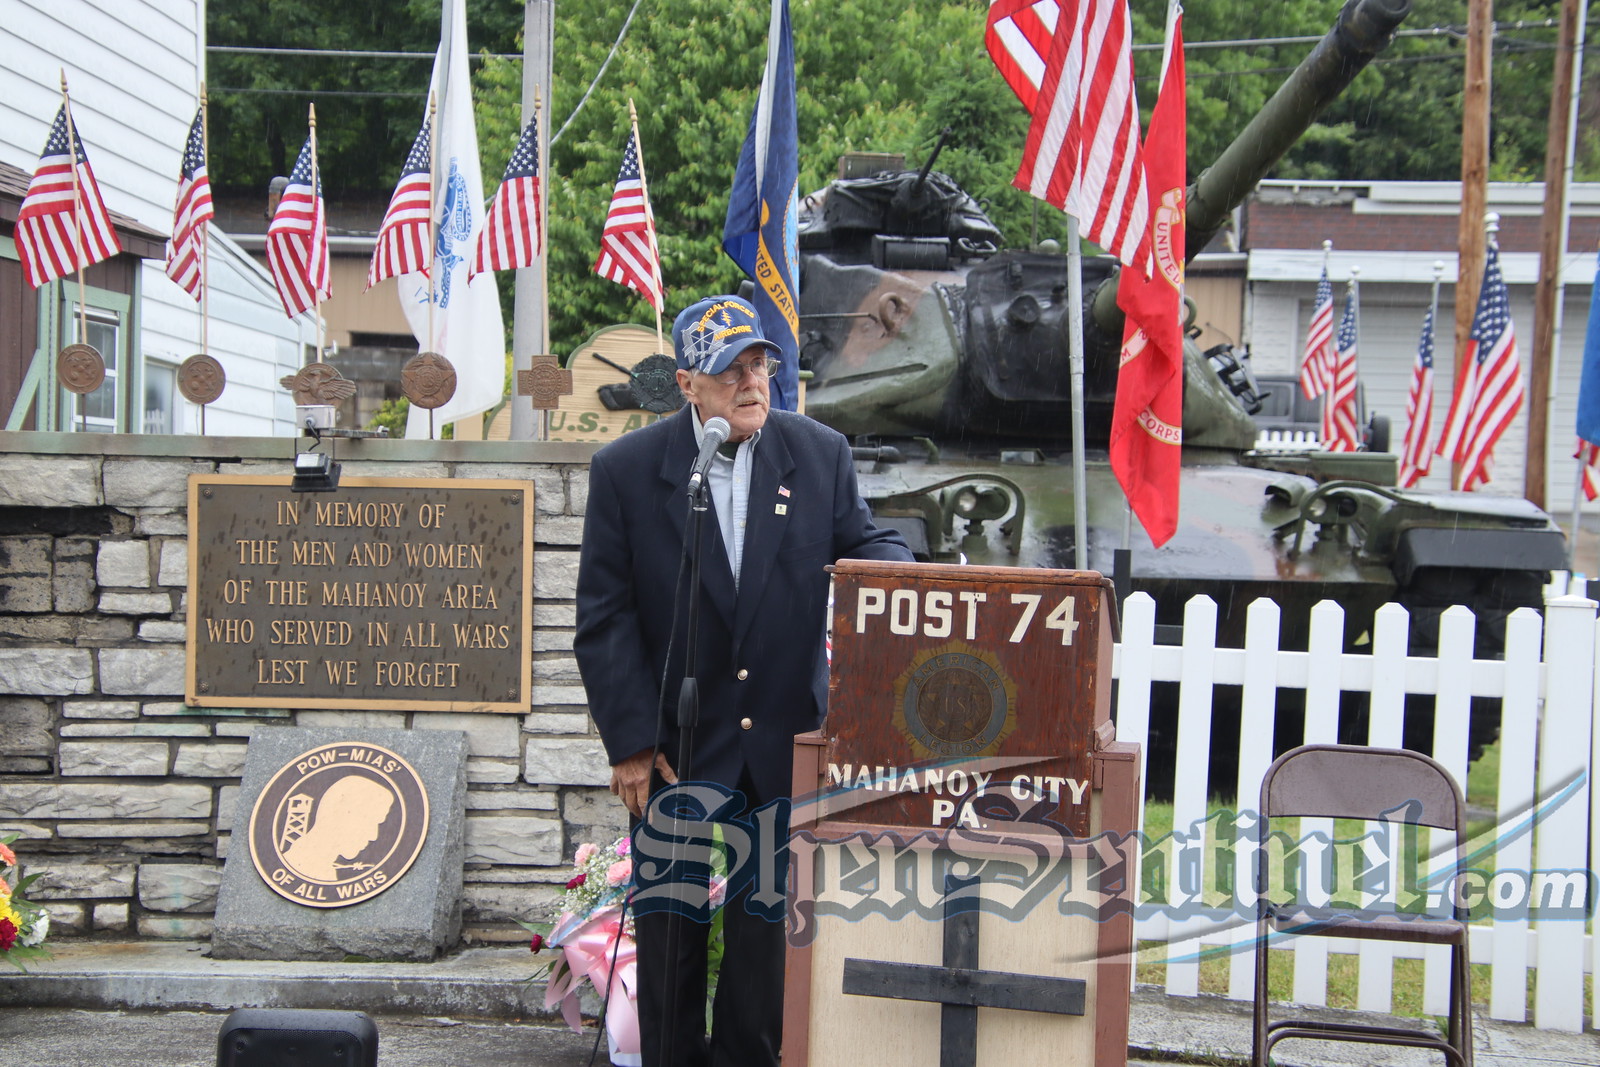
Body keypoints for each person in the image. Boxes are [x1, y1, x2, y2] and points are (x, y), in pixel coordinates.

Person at [575, 294, 913, 1066]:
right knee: (669, 954)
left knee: (764, 966)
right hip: (675, 752)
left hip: (782, 749)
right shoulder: (627, 472)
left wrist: (922, 583)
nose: (753, 382)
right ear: (688, 383)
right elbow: (604, 617)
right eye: (731, 370)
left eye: (759, 363)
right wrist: (630, 742)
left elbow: (869, 542)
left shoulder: (818, 453)